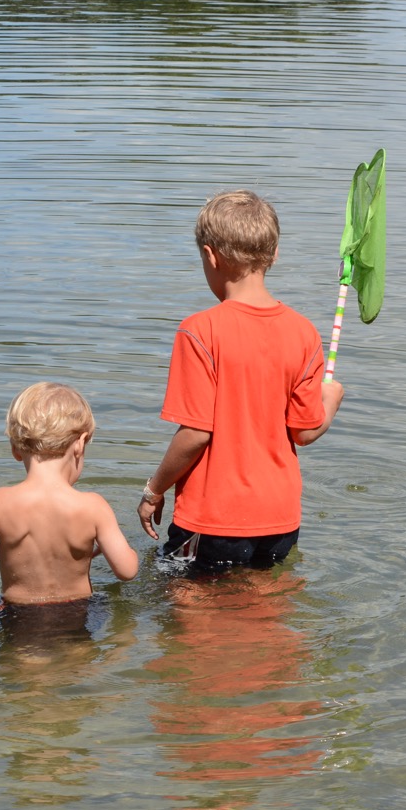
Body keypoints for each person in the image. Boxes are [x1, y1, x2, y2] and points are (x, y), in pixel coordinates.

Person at [137, 189, 344, 570]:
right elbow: (305, 431)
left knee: (192, 618)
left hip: (212, 517)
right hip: (280, 519)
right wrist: (332, 399)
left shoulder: (199, 330)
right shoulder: (304, 333)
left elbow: (196, 432)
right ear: (275, 253)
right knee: (268, 613)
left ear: (209, 254)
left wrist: (154, 489)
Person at [0, 381, 139, 607]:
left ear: (15, 449)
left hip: (18, 616)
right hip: (76, 613)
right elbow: (127, 570)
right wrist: (120, 547)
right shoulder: (93, 506)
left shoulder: (1, 502)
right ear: (80, 444)